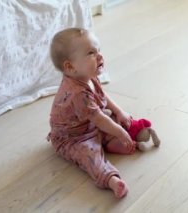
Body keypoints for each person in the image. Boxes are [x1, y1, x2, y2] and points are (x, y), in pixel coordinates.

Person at [47, 28, 136, 198]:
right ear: (70, 66)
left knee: (117, 120)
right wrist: (119, 131)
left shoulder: (87, 75)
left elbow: (103, 97)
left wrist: (119, 111)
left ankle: (114, 141)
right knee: (90, 155)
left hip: (90, 122)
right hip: (72, 138)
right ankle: (111, 180)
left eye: (99, 50)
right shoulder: (77, 92)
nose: (100, 56)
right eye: (91, 53)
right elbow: (100, 119)